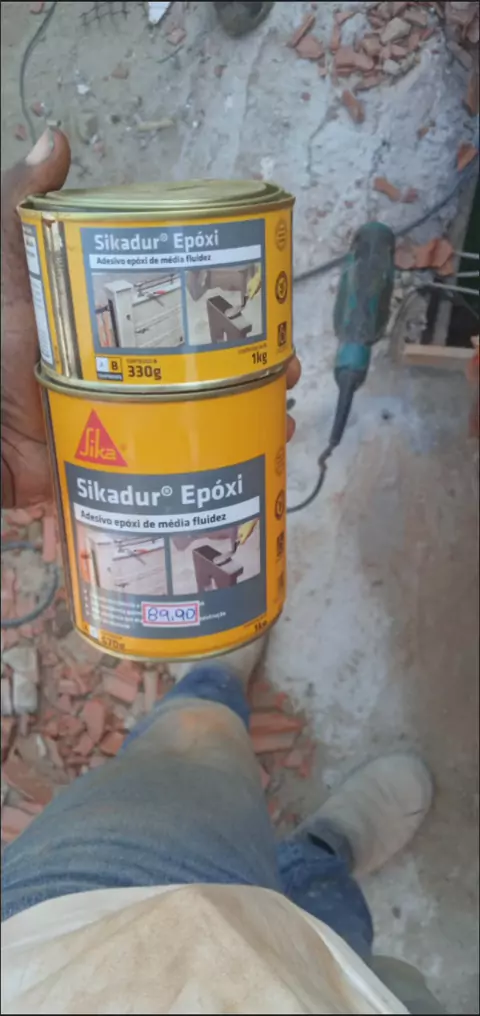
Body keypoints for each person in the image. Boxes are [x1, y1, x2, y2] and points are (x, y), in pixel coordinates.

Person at [1, 130, 444, 1015]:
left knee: (191, 762)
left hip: (66, 940)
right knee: (354, 961)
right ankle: (321, 855)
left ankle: (207, 691)